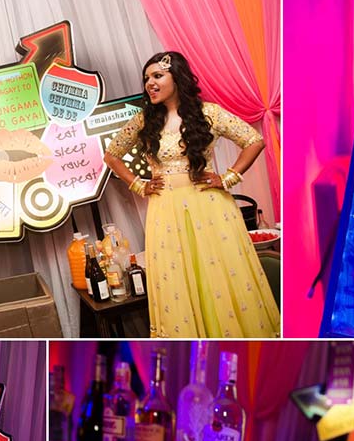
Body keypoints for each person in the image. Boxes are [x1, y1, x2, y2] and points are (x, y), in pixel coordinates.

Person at [103, 51, 280, 338]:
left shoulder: (208, 113)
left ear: (178, 78)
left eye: (157, 76)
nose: (150, 83)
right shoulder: (144, 121)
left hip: (209, 206)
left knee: (219, 276)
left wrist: (228, 177)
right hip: (165, 210)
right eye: (146, 78)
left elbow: (254, 140)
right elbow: (111, 156)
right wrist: (139, 184)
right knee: (178, 279)